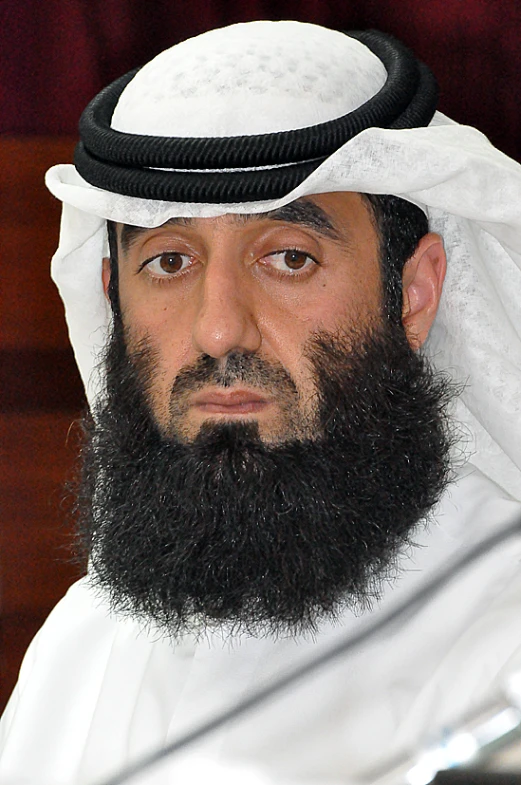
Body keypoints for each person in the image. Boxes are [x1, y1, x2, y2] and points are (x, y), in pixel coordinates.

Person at [1, 20, 521, 785]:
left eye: (288, 257)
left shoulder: (500, 651)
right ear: (114, 298)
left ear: (413, 294)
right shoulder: (84, 641)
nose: (217, 330)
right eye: (169, 261)